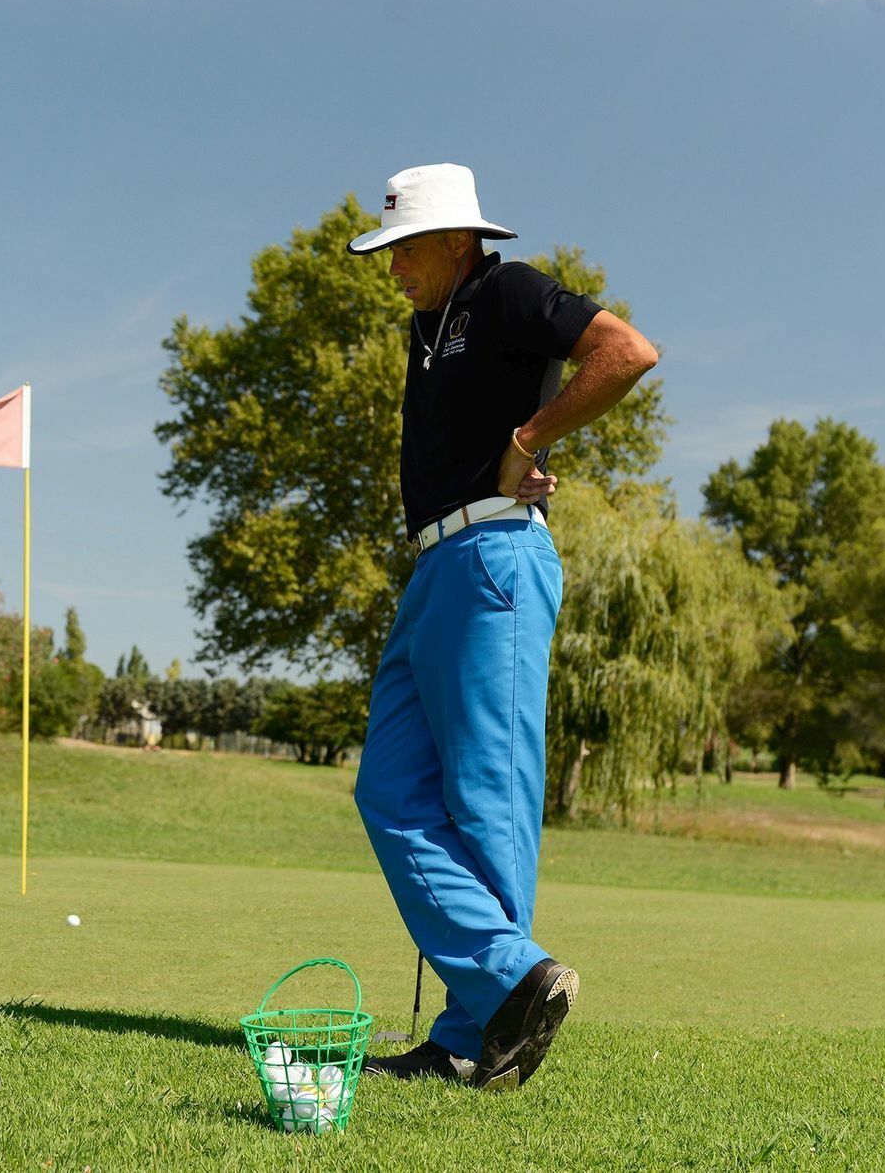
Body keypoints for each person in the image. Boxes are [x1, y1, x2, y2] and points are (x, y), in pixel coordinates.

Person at [349, 165, 658, 1090]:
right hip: (435, 566)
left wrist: (529, 440)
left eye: (404, 246)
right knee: (391, 789)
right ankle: (504, 985)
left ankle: (471, 1032)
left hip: (494, 561)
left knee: (489, 800)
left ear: (456, 239)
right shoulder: (425, 324)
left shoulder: (512, 291)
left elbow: (627, 351)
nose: (392, 265)